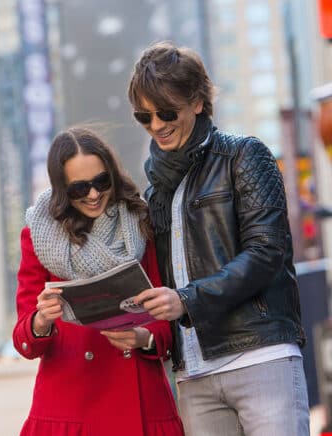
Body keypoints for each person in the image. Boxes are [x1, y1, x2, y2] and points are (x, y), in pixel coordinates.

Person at [129, 41, 308, 436]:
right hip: (193, 373)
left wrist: (187, 300)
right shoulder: (154, 193)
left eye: (166, 111)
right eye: (144, 116)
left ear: (197, 101)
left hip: (262, 355)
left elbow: (267, 252)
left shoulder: (244, 156)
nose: (156, 124)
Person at [12, 125, 184, 435]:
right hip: (70, 406)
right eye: (79, 188)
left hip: (141, 401)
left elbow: (165, 318)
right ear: (63, 190)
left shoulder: (139, 221)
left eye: (101, 182)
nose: (93, 195)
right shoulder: (38, 235)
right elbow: (24, 338)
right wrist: (40, 321)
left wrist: (144, 338)